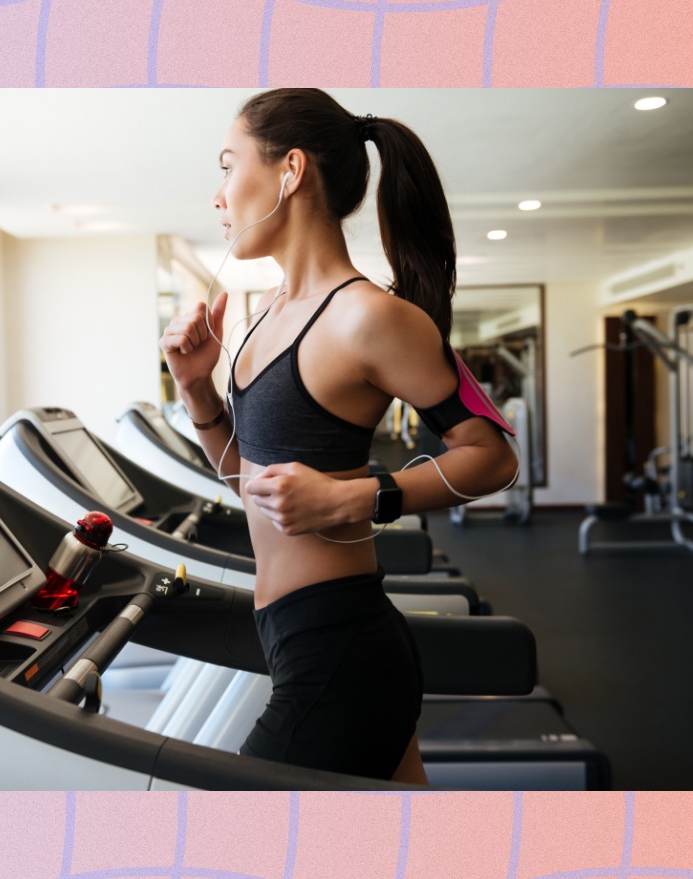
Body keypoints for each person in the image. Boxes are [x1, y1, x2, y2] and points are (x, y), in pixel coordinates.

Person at [159, 88, 519, 784]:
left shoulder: (369, 318)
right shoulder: (263, 313)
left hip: (340, 647)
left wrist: (359, 497)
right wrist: (198, 389)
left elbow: (494, 456)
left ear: (290, 170)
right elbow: (250, 485)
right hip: (291, 637)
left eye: (229, 166)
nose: (218, 195)